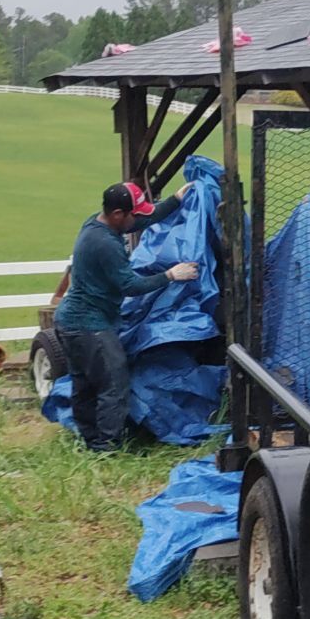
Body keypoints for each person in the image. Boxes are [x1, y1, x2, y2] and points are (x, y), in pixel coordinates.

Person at [53, 181, 199, 451]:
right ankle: (107, 447)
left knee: (83, 383)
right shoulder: (105, 244)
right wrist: (171, 275)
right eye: (135, 212)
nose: (139, 217)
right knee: (114, 381)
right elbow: (130, 286)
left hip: (69, 321)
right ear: (118, 214)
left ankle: (90, 438)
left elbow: (142, 220)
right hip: (89, 325)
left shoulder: (98, 223)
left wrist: (175, 200)